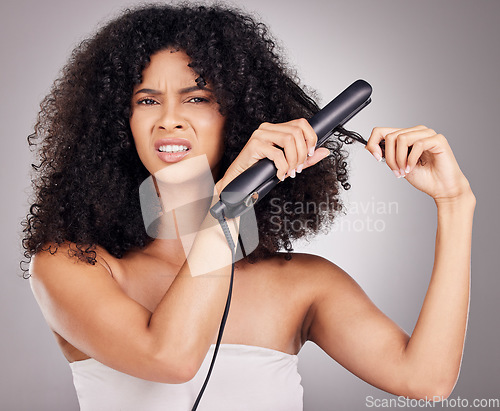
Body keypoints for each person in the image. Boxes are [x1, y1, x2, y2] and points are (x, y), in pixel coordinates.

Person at [22, 4, 476, 411]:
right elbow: (172, 356)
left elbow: (427, 382)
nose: (168, 118)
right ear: (121, 124)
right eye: (147, 101)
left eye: (197, 97)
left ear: (239, 116)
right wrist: (227, 206)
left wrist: (455, 204)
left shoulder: (304, 283)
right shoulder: (71, 265)